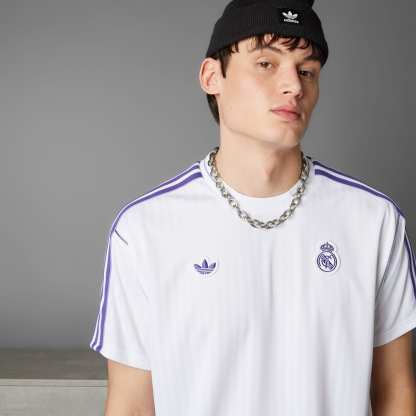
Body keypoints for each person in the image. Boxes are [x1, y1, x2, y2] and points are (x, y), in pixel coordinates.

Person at [89, 0, 416, 414]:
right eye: (266, 64)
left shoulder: (374, 221)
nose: (293, 86)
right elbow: (132, 405)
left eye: (307, 71)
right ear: (212, 77)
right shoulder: (143, 231)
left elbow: (395, 391)